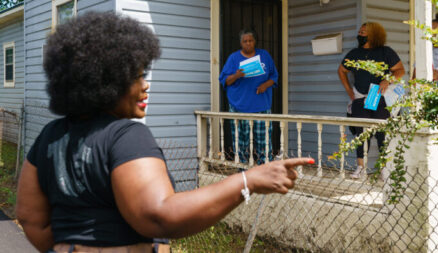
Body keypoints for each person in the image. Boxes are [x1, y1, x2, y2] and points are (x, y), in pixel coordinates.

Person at [15, 12, 314, 252]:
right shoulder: (125, 136)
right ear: (104, 81)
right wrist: (247, 180)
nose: (146, 84)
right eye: (136, 75)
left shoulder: (49, 137)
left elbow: (31, 219)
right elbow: (159, 215)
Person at [337, 22, 405, 179]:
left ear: (374, 35)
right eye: (360, 32)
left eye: (364, 33)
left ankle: (384, 168)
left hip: (379, 97)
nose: (360, 35)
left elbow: (400, 70)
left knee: (382, 133)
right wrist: (348, 89)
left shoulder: (385, 52)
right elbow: (341, 70)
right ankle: (361, 168)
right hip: (360, 98)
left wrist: (387, 80)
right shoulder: (354, 53)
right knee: (361, 134)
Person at [219, 29, 278, 165]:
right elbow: (225, 80)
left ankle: (264, 168)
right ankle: (243, 169)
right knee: (241, 141)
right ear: (241, 43)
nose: (248, 44)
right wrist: (237, 75)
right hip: (239, 106)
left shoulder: (264, 56)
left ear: (254, 41)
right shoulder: (234, 58)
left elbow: (274, 77)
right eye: (245, 41)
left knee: (263, 141)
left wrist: (265, 85)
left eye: (250, 41)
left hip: (261, 106)